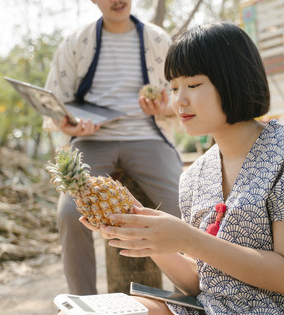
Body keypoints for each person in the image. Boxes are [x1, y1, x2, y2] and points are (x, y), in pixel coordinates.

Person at [40, 22, 284, 315]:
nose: (179, 100)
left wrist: (189, 239)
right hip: (211, 314)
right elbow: (201, 284)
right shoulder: (195, 175)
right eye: (173, 87)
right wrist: (147, 236)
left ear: (234, 79)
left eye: (194, 84)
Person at [43, 0, 183, 295]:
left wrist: (165, 107)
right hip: (91, 142)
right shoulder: (74, 44)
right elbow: (55, 106)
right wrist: (69, 124)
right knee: (69, 213)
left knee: (185, 204)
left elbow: (181, 101)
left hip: (149, 137)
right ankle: (84, 306)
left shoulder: (159, 40)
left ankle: (202, 296)